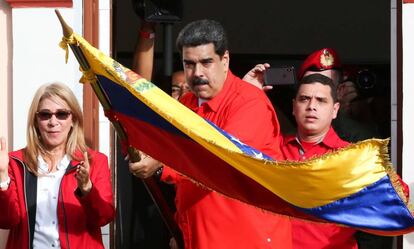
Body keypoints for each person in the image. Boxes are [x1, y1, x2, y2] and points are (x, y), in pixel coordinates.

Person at [129, 19, 292, 249]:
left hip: (247, 240)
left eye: (206, 63)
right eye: (189, 64)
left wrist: (160, 160)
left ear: (224, 60)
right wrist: (183, 227)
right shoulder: (185, 104)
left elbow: (218, 157)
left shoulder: (250, 102)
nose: (197, 73)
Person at [0, 82, 115, 249]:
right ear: (36, 121)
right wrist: (2, 176)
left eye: (62, 114)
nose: (53, 122)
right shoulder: (16, 162)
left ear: (73, 120)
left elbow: (104, 217)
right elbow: (7, 220)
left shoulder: (95, 161)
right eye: (45, 115)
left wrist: (87, 189)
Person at [132, 20, 190, 100]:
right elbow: (140, 85)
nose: (183, 94)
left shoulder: (206, 111)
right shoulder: (158, 110)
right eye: (174, 90)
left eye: (189, 89)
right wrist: (148, 28)